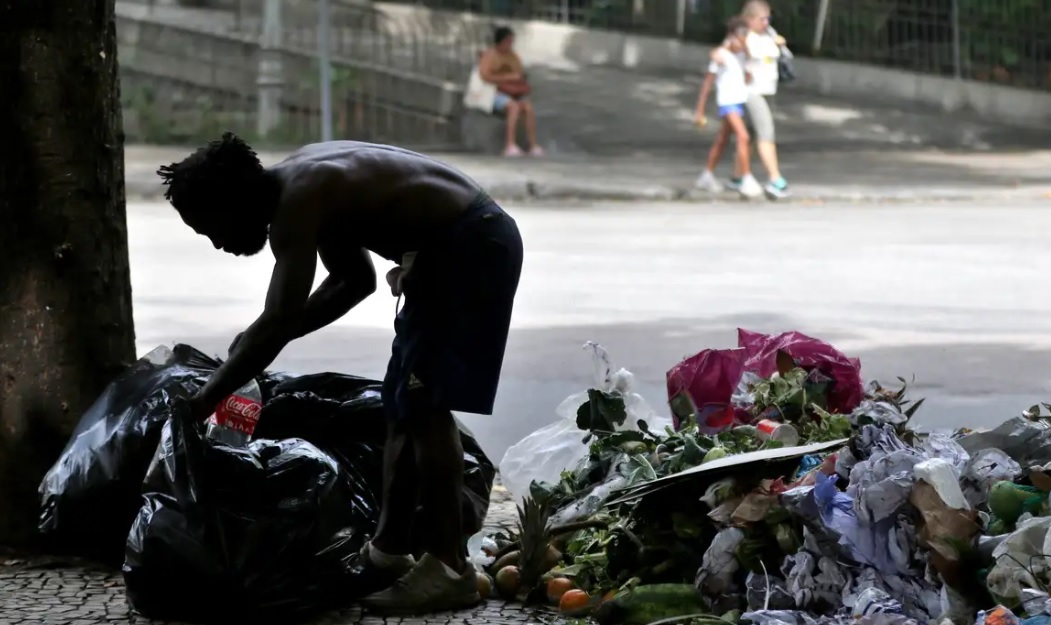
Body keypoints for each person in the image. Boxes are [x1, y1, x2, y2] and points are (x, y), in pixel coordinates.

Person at [158, 133, 523, 614]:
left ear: (233, 200)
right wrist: (258, 343)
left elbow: (280, 316)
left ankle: (449, 568)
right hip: (448, 252)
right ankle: (388, 552)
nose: (218, 243)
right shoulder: (306, 185)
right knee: (402, 405)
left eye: (211, 227)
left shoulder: (300, 199)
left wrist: (209, 395)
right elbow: (354, 282)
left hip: (471, 248)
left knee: (425, 407)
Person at [694, 17, 763, 199]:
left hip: (737, 101)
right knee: (743, 136)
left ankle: (706, 175)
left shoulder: (740, 56)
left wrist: (745, 55)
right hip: (727, 102)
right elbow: (707, 84)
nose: (743, 43)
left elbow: (747, 76)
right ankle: (746, 178)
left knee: (722, 140)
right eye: (740, 38)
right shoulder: (721, 56)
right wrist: (700, 110)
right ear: (732, 37)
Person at [737, 0, 790, 199]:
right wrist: (772, 44)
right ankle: (776, 179)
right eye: (762, 19)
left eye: (768, 18)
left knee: (749, 136)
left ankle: (738, 176)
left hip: (768, 90)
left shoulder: (768, 34)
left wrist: (779, 44)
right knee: (766, 133)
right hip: (752, 92)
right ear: (750, 20)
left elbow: (781, 54)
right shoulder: (745, 37)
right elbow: (755, 53)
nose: (766, 23)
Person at [477, 26, 544, 157]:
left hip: (511, 92)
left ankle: (533, 145)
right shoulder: (490, 55)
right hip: (492, 93)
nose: (510, 45)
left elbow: (519, 74)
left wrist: (518, 81)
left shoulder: (513, 56)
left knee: (527, 108)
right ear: (500, 42)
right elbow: (485, 76)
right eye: (508, 42)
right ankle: (510, 144)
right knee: (513, 107)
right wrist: (506, 78)